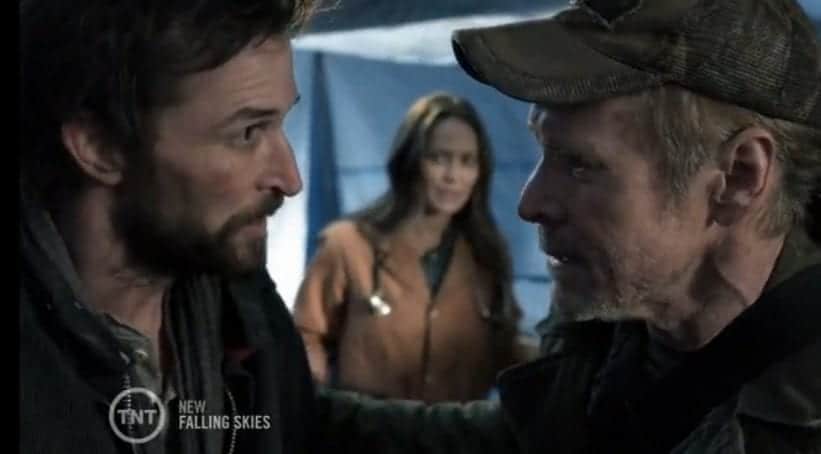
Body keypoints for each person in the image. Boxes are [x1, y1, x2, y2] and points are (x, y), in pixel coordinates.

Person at [317, 0, 821, 452]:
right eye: (544, 153)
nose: (530, 203)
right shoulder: (599, 338)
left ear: (738, 177)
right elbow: (520, 437)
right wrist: (296, 407)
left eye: (579, 165)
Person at [20, 1, 323, 453]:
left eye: (281, 124)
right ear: (100, 146)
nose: (290, 179)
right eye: (247, 133)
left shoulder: (241, 303)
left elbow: (296, 420)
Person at [292, 92, 530, 403]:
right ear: (410, 160)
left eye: (467, 161)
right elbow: (305, 335)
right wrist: (317, 397)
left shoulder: (487, 256)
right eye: (439, 158)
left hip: (457, 430)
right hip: (367, 429)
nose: (453, 176)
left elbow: (506, 349)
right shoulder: (348, 246)